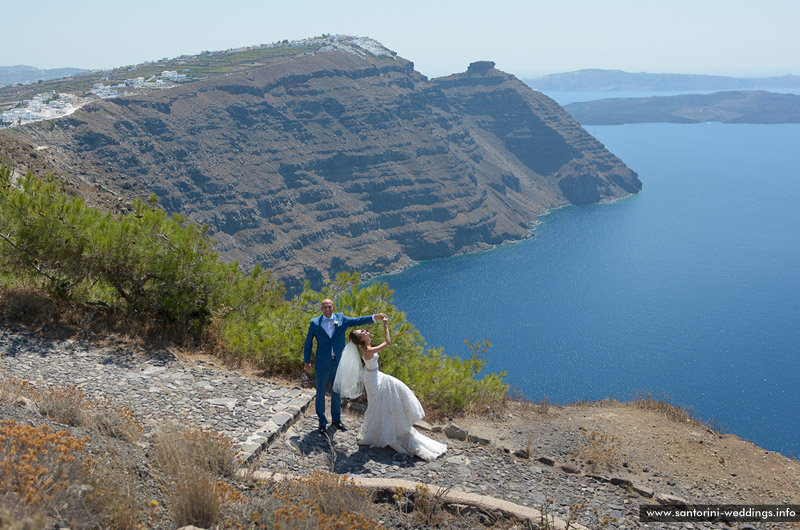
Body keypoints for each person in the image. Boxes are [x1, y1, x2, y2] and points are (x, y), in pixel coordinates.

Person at [346, 319, 447, 461]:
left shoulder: (368, 345)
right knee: (377, 405)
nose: (364, 331)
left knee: (385, 400)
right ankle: (384, 434)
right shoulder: (367, 350)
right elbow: (387, 342)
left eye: (363, 330)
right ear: (360, 339)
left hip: (376, 374)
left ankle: (383, 430)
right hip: (372, 379)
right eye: (361, 332)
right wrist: (386, 324)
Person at [304, 298, 387, 435]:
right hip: (322, 362)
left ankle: (336, 420)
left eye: (329, 306)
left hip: (338, 361)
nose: (327, 309)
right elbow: (308, 343)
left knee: (337, 390)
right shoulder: (315, 323)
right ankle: (322, 423)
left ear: (333, 307)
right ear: (321, 309)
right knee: (320, 392)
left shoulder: (341, 318)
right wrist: (307, 361)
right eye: (325, 307)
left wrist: (374, 317)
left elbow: (357, 320)